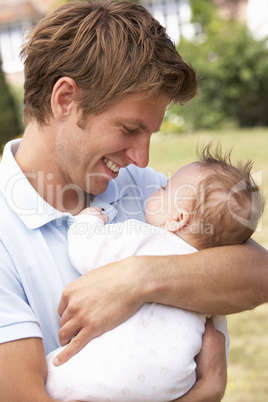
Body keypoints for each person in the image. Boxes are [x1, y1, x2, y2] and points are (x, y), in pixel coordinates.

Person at [0, 1, 267, 401]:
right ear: (65, 99)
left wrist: (136, 280)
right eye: (129, 128)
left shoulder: (143, 189)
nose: (141, 159)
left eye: (151, 135)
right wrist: (205, 393)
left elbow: (258, 271)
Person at [45, 143, 263, 402]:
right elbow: (215, 337)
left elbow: (87, 251)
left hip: (100, 376)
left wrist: (87, 220)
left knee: (51, 374)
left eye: (165, 188)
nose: (157, 187)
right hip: (171, 383)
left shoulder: (145, 238)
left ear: (178, 219)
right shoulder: (210, 271)